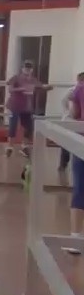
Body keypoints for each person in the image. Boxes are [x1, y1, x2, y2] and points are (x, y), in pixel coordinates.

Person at [5, 60, 53, 157]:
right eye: (26, 68)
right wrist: (21, 89)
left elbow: (41, 86)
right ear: (22, 68)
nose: (27, 70)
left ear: (31, 69)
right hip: (15, 105)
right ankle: (10, 146)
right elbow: (10, 89)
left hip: (26, 107)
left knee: (29, 127)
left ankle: (25, 146)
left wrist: (47, 87)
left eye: (29, 68)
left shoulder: (33, 80)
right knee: (13, 125)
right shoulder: (16, 78)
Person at [66, 79, 84, 255]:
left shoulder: (79, 88)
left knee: (80, 188)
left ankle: (76, 236)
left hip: (82, 140)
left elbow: (73, 111)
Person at [59, 73, 84, 172]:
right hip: (72, 120)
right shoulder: (74, 90)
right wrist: (67, 113)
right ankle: (63, 164)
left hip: (76, 120)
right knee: (67, 144)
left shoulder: (76, 90)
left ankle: (64, 164)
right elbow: (64, 101)